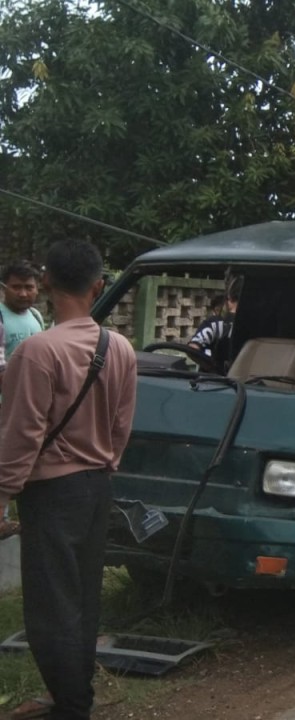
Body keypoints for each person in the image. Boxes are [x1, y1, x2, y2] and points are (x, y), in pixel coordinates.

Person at [0, 240, 138, 720]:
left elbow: (21, 434)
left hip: (52, 492)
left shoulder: (37, 353)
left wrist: (3, 495)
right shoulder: (119, 346)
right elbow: (121, 426)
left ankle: (72, 707)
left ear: (49, 285)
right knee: (81, 596)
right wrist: (104, 462)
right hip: (98, 485)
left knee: (49, 606)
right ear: (99, 285)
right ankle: (75, 698)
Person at [188, 282, 240, 372]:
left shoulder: (214, 323)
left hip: (217, 381)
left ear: (229, 299)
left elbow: (192, 348)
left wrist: (210, 368)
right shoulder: (261, 326)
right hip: (250, 383)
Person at [1, 260, 45, 358]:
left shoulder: (36, 315)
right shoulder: (1, 318)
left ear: (37, 289)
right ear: (4, 288)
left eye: (29, 288)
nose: (23, 294)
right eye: (16, 288)